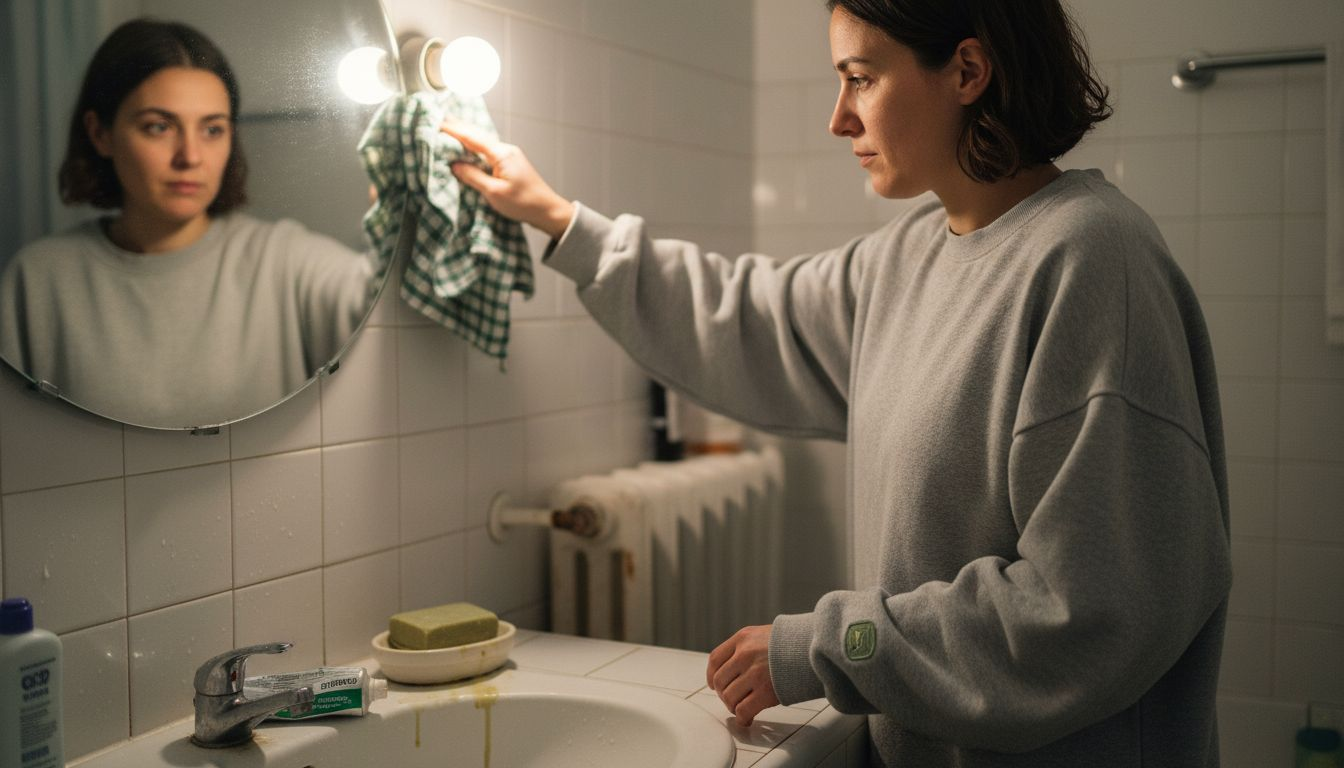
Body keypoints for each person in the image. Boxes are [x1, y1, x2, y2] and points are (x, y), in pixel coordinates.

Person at [445, 0, 1232, 765]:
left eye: (861, 78)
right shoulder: (906, 257)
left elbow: (1089, 612)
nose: (839, 119)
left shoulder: (1093, 262)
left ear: (967, 71)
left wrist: (829, 647)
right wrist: (560, 221)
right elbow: (747, 315)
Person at [0, 18, 376, 427]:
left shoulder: (285, 261)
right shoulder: (37, 279)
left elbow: (386, 306)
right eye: (159, 127)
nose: (191, 156)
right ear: (100, 133)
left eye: (212, 129)